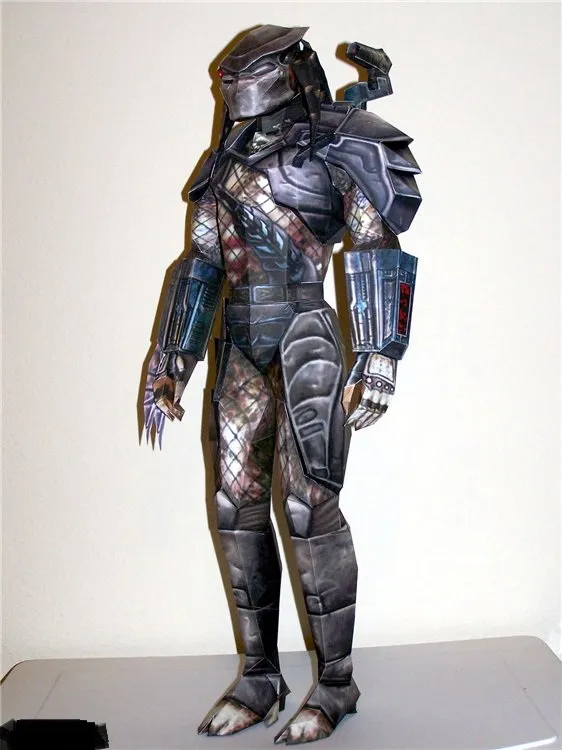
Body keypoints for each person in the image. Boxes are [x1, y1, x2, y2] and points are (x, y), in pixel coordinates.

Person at [143, 24, 420, 745]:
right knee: (234, 506)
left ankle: (336, 682)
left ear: (290, 71)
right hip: (237, 341)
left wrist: (381, 353)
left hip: (304, 335)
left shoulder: (340, 140)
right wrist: (171, 355)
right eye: (230, 78)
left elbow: (375, 242)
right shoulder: (223, 161)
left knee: (309, 508)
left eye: (251, 73)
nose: (234, 85)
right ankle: (260, 676)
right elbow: (202, 260)